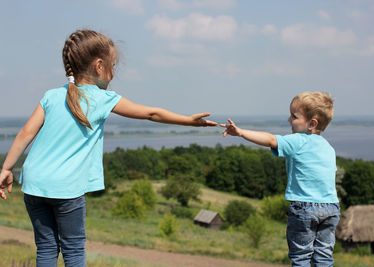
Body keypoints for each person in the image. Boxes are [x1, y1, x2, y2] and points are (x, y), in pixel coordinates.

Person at [0, 29, 217, 267]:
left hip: (34, 184)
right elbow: (151, 113)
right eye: (113, 65)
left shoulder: (51, 96)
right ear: (99, 65)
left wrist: (6, 169)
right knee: (73, 250)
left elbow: (25, 134)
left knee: (46, 247)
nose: (114, 72)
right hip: (66, 189)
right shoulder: (103, 99)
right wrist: (187, 120)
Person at [221, 92, 340, 267]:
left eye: (294, 116)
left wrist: (240, 132)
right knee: (324, 257)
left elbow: (270, 140)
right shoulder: (328, 147)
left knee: (301, 257)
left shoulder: (299, 140)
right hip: (331, 208)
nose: (289, 120)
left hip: (305, 207)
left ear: (311, 123)